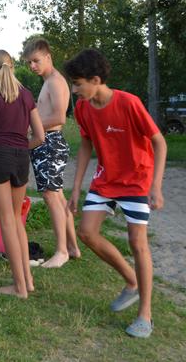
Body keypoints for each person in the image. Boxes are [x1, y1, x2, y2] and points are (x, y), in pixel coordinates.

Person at [64, 49, 166, 338]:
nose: (74, 90)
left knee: (137, 242)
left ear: (96, 80)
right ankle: (132, 282)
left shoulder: (129, 103)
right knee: (86, 233)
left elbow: (159, 142)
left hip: (136, 180)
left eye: (78, 83)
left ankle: (145, 315)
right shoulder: (83, 108)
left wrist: (156, 186)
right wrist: (76, 188)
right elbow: (86, 144)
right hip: (106, 179)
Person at [0, 50, 44, 298]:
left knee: (6, 222)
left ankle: (19, 287)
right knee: (16, 220)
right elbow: (40, 136)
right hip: (21, 157)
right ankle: (28, 281)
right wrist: (21, 147)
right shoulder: (26, 94)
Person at [23, 38, 80, 268]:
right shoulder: (48, 81)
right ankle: (73, 247)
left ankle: (61, 251)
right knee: (58, 197)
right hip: (46, 143)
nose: (32, 66)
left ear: (48, 57)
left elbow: (58, 117)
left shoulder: (55, 81)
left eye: (36, 61)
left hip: (51, 143)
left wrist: (30, 128)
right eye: (29, 62)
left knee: (50, 196)